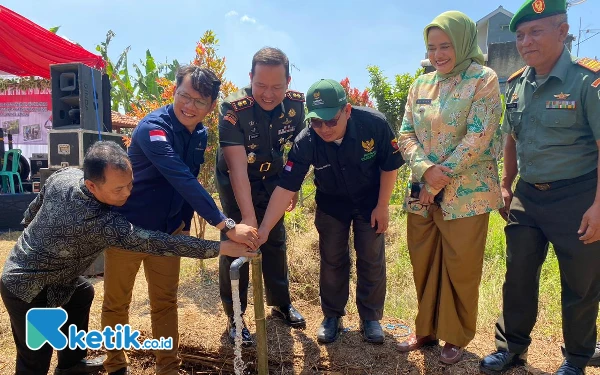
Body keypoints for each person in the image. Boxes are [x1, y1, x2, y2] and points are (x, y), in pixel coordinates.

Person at [0, 141, 256, 375]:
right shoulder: (102, 223)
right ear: (92, 185)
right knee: (35, 357)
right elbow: (160, 243)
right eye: (118, 189)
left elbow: (34, 207)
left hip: (54, 275)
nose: (127, 193)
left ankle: (71, 365)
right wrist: (222, 248)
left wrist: (29, 229)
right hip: (27, 286)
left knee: (82, 293)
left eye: (130, 183)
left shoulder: (64, 176)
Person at [101, 66, 258, 375]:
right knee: (117, 303)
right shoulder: (152, 129)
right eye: (183, 96)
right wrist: (226, 225)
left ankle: (168, 368)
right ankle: (116, 366)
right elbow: (181, 177)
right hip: (128, 230)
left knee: (165, 302)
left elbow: (189, 184)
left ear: (211, 106)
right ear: (173, 92)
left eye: (199, 101)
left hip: (169, 232)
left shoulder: (199, 133)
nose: (189, 106)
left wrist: (183, 225)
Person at [479, 1, 600, 374]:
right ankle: (511, 347)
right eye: (519, 35)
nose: (525, 42)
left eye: (536, 32)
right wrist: (505, 183)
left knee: (580, 284)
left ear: (562, 32)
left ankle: (577, 358)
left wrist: (599, 206)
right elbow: (511, 137)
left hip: (578, 196)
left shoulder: (587, 82)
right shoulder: (517, 84)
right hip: (528, 195)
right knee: (517, 276)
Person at [257, 79, 403, 344]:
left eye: (331, 121)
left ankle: (370, 318)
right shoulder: (306, 140)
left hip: (370, 199)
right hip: (331, 202)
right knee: (332, 259)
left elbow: (389, 165)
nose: (324, 128)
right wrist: (264, 229)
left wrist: (383, 206)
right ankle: (332, 315)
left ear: (347, 110)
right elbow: (286, 187)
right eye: (316, 122)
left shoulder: (374, 124)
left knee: (371, 256)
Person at [396, 11, 503, 365]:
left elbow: (479, 135)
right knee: (423, 261)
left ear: (463, 43)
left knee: (461, 266)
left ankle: (455, 337)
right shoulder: (420, 85)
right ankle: (425, 329)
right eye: (432, 48)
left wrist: (441, 176)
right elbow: (405, 134)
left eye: (446, 46)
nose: (439, 54)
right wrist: (426, 172)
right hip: (421, 192)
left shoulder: (483, 79)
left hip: (466, 193)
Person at [216, 47, 306, 345]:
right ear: (250, 78)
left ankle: (280, 303)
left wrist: (293, 188)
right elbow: (238, 170)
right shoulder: (234, 109)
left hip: (275, 178)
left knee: (275, 239)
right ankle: (236, 316)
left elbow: (298, 152)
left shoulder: (296, 106)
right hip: (237, 178)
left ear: (288, 81)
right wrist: (249, 217)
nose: (269, 94)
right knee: (239, 241)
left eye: (277, 87)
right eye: (261, 85)